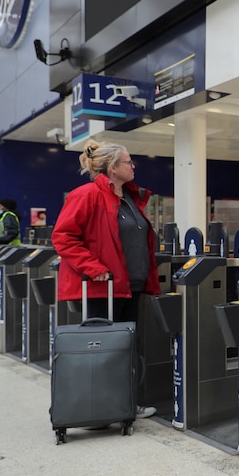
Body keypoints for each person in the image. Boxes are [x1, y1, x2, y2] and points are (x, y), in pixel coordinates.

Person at [51, 139, 160, 420]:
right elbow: (63, 237)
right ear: (113, 168)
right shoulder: (86, 195)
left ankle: (123, 405)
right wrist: (92, 266)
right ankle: (94, 408)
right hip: (101, 288)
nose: (133, 166)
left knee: (125, 348)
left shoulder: (129, 198)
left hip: (129, 287)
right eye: (128, 162)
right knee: (100, 352)